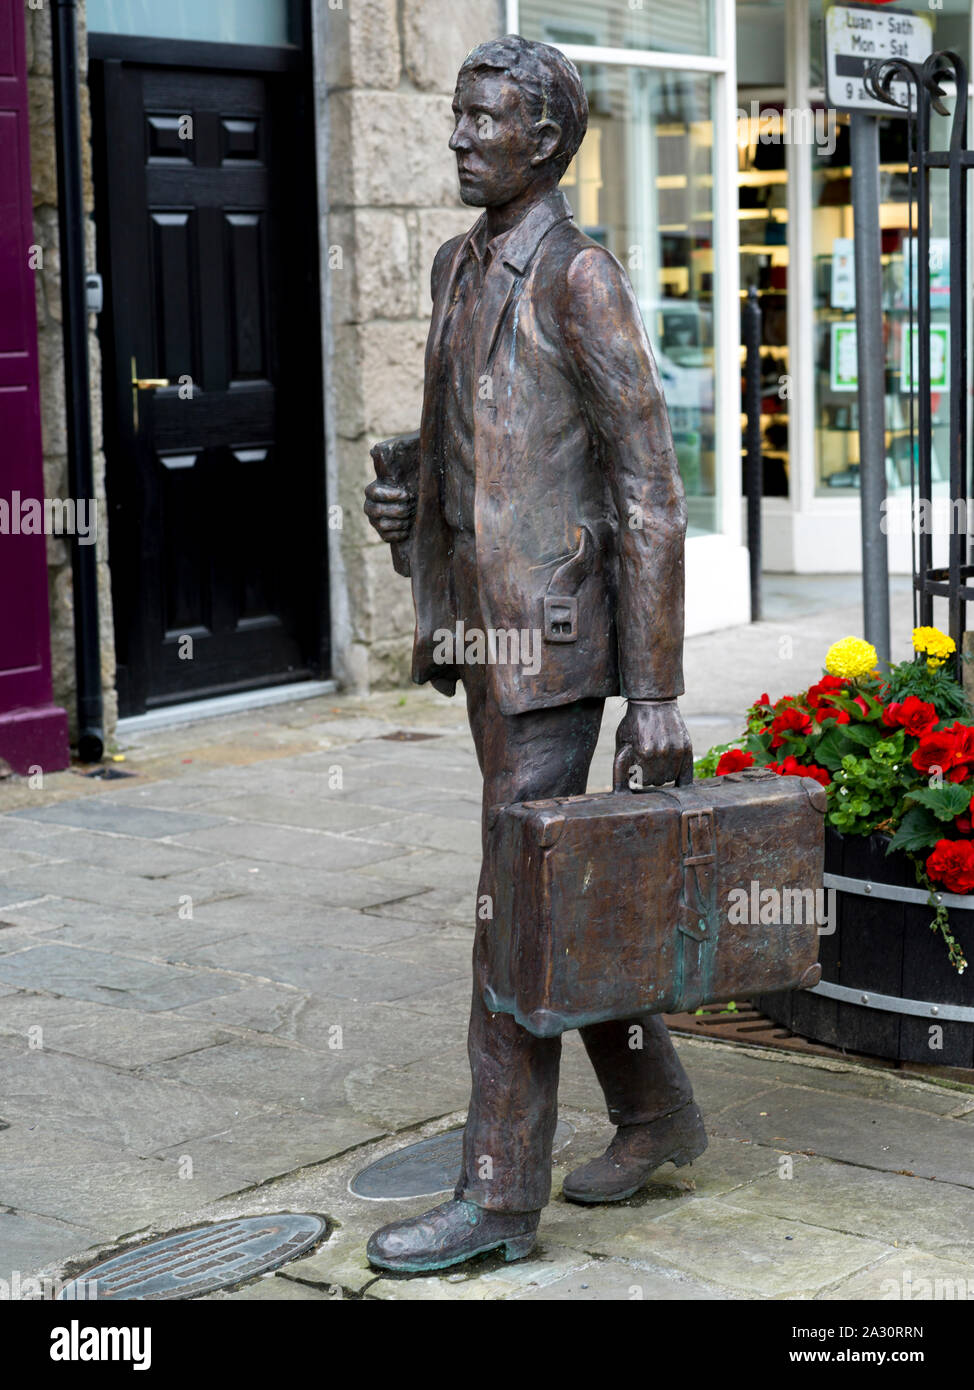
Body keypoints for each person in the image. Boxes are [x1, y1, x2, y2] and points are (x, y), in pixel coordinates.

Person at [363, 35, 706, 1274]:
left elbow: (648, 490)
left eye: (483, 118)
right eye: (456, 114)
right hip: (482, 634)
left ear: (545, 141)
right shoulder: (458, 264)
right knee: (557, 887)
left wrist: (653, 690)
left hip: (556, 648)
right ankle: (655, 1109)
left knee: (510, 907)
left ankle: (497, 1194)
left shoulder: (579, 278)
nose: (458, 135)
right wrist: (411, 516)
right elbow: (471, 443)